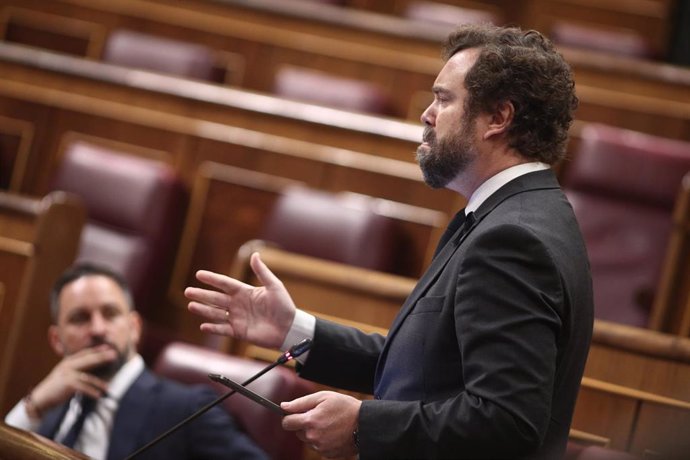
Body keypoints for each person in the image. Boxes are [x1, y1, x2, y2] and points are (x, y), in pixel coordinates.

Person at [185, 23, 593, 460]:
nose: (426, 114)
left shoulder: (512, 239)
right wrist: (294, 330)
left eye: (444, 98)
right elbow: (423, 366)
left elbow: (506, 422)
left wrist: (364, 425)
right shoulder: (519, 214)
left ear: (498, 118)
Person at [4, 263, 268, 460]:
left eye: (110, 314)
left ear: (134, 328)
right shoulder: (47, 406)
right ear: (56, 340)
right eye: (80, 318)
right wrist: (34, 406)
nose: (97, 329)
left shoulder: (187, 410)